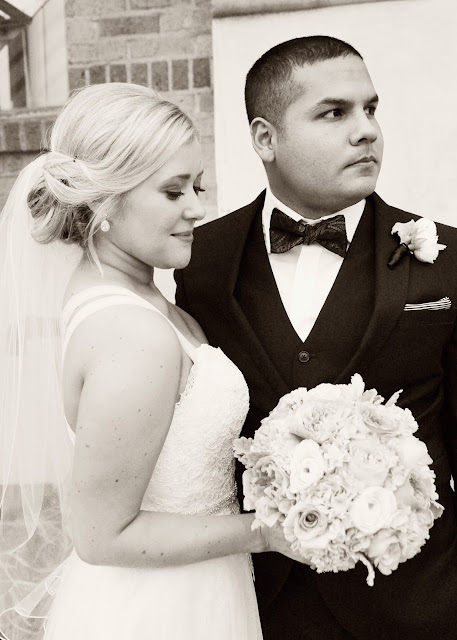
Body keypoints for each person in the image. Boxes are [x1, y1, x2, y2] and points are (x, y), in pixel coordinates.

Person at [175, 36, 457, 640]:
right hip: (258, 607)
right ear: (265, 138)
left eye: (370, 109)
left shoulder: (447, 259)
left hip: (418, 607)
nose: (367, 131)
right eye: (334, 113)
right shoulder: (201, 261)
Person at [0, 82, 304, 640]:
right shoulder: (133, 334)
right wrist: (265, 532)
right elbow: (101, 535)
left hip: (198, 586)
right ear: (105, 202)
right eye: (172, 191)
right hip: (160, 610)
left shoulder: (132, 296)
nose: (197, 208)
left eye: (197, 185)